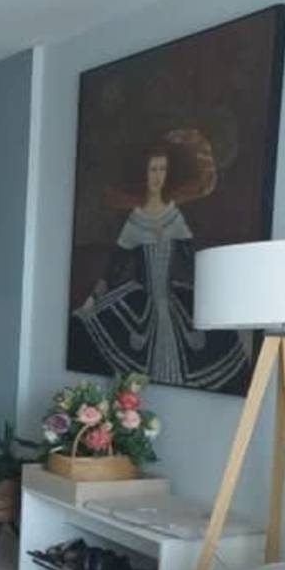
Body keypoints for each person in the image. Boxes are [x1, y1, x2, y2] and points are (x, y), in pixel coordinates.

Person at [73, 129, 250, 391]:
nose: (157, 176)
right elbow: (115, 268)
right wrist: (92, 300)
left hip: (174, 301)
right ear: (143, 173)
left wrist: (219, 292)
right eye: (153, 169)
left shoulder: (174, 216)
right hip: (142, 304)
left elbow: (191, 263)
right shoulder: (135, 220)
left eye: (162, 169)